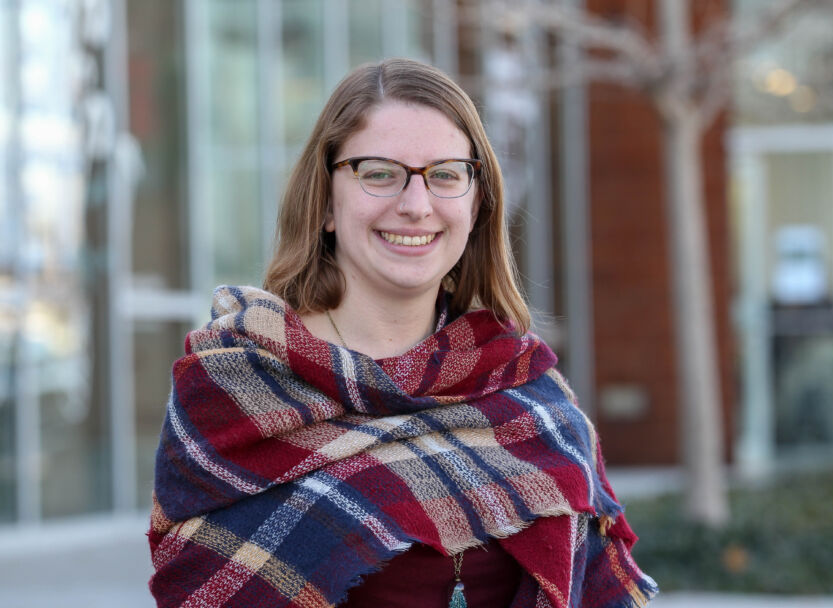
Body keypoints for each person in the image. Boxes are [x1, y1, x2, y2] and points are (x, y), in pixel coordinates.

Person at [148, 58, 657, 608]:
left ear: (477, 204)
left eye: (445, 174)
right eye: (379, 173)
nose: (416, 205)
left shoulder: (527, 392)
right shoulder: (233, 385)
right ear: (325, 202)